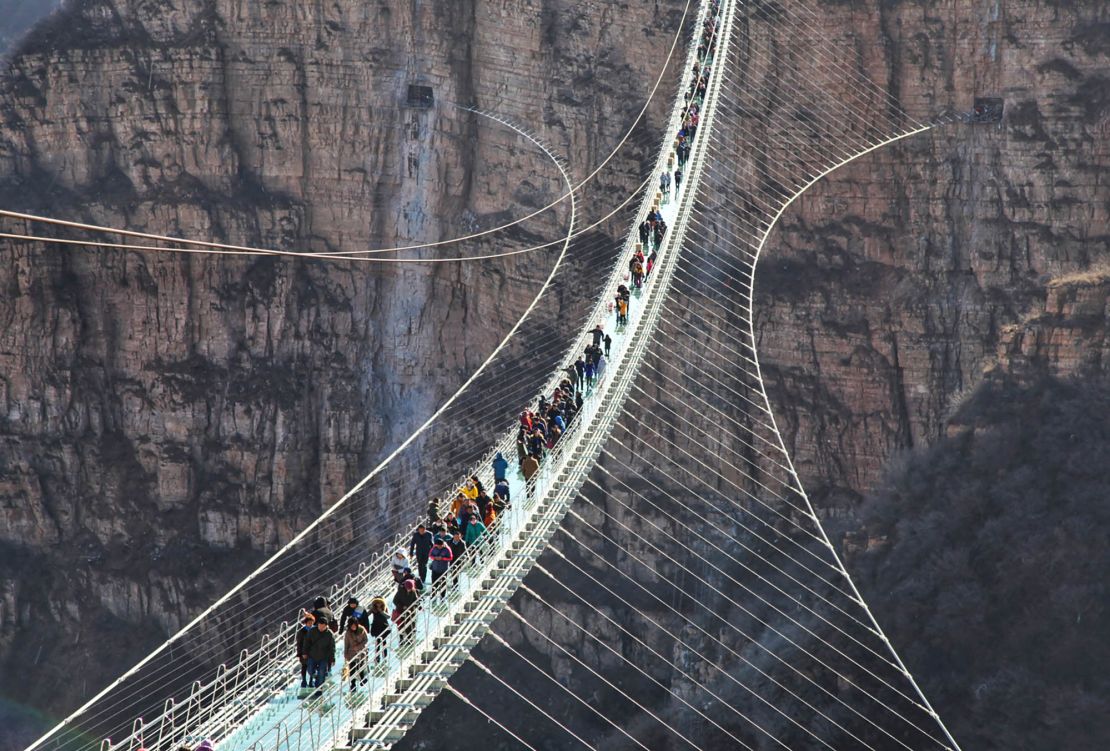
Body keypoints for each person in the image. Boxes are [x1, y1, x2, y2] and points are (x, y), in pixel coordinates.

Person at [303, 617, 335, 690]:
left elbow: (332, 647)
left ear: (326, 626)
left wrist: (332, 659)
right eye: (319, 625)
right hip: (312, 655)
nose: (321, 628)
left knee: (321, 673)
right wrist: (304, 652)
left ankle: (319, 689)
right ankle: (316, 677)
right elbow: (306, 642)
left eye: (323, 626)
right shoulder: (312, 631)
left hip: (324, 657)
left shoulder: (329, 634)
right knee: (310, 670)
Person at [343, 618, 369, 691]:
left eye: (354, 625)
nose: (353, 627)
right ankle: (353, 683)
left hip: (361, 651)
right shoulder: (348, 633)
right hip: (351, 652)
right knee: (352, 668)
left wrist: (359, 646)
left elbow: (366, 640)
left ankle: (362, 679)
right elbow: (346, 644)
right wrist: (345, 654)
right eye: (352, 625)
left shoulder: (362, 629)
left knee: (361, 665)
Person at [392, 579, 419, 645]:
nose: (409, 590)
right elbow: (395, 601)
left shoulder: (413, 591)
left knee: (410, 625)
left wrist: (416, 605)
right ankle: (401, 639)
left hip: (410, 612)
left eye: (410, 588)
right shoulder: (400, 591)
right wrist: (402, 606)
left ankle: (409, 638)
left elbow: (416, 600)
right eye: (408, 588)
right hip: (401, 611)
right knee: (401, 625)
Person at [296, 613, 315, 688]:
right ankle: (304, 680)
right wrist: (300, 653)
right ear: (306, 623)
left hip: (313, 652)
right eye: (309, 623)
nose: (310, 624)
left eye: (311, 623)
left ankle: (311, 681)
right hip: (304, 652)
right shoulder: (302, 632)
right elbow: (299, 643)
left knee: (312, 666)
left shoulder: (315, 630)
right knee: (304, 666)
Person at [369, 597, 390, 664]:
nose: (378, 604)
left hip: (383, 626)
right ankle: (377, 657)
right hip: (376, 626)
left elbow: (388, 616)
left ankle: (385, 656)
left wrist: (381, 611)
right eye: (377, 603)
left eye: (380, 603)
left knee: (384, 641)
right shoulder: (373, 609)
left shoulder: (384, 608)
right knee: (377, 642)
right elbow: (367, 614)